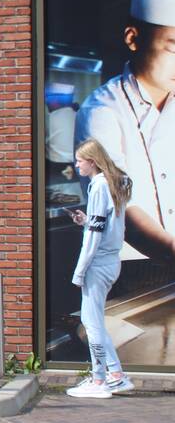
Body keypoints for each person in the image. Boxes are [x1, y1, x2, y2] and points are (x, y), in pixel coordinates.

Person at [74, 0, 175, 263]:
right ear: (133, 38)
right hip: (126, 266)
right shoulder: (102, 110)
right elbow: (117, 203)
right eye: (173, 48)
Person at [65, 138, 136, 398]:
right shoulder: (113, 184)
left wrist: (79, 271)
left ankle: (99, 381)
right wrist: (86, 221)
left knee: (91, 324)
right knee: (95, 321)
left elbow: (93, 238)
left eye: (80, 161)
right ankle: (116, 375)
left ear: (92, 162)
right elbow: (104, 227)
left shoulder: (98, 187)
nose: (76, 165)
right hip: (111, 260)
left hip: (98, 263)